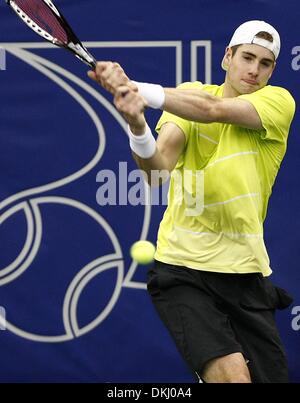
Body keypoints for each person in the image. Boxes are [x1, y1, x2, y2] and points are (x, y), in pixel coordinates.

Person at [88, 20, 296, 383]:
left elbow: (213, 109)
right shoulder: (189, 95)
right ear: (227, 57)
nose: (254, 70)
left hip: (246, 273)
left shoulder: (278, 102)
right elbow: (156, 173)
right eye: (247, 57)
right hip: (183, 270)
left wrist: (133, 87)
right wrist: (137, 125)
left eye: (265, 63)